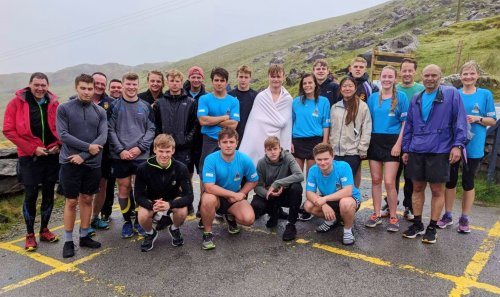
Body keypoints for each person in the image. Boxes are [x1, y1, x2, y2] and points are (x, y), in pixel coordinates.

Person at [402, 64, 467, 244]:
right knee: (416, 188)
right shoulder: (416, 98)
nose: (430, 79)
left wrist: (458, 146)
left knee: (437, 190)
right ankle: (417, 223)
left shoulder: (452, 94)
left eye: (434, 75)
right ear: (421, 77)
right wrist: (406, 148)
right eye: (427, 75)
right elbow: (409, 125)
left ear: (441, 76)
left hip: (440, 149)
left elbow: (460, 120)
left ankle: (432, 227)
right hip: (417, 149)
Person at [3, 72, 61, 251]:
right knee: (31, 194)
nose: (40, 88)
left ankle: (44, 229)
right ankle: (29, 234)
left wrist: (58, 144)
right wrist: (32, 148)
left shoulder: (54, 103)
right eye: (37, 85)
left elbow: (61, 127)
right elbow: (8, 130)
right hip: (29, 156)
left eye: (43, 85)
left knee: (49, 192)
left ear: (48, 86)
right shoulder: (16, 103)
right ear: (30, 85)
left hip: (51, 155)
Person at [438, 61, 497, 233]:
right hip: (454, 145)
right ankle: (447, 215)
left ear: (477, 76)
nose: (468, 77)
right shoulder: (454, 93)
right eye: (465, 74)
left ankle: (464, 218)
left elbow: (492, 120)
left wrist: (476, 118)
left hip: (474, 146)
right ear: (460, 76)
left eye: (472, 74)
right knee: (450, 181)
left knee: (468, 181)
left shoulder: (485, 94)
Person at [56, 74, 108, 258]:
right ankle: (68, 240)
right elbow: (63, 135)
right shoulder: (64, 109)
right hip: (70, 161)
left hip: (92, 163)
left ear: (94, 89)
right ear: (76, 88)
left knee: (87, 198)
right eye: (83, 88)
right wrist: (87, 148)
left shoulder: (100, 112)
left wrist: (84, 155)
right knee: (71, 201)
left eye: (90, 88)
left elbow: (102, 138)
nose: (87, 92)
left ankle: (84, 235)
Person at [316, 76, 371, 233]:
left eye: (350, 86)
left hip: (351, 153)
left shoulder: (362, 107)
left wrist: (362, 149)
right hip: (335, 152)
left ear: (355, 88)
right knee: (331, 186)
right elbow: (331, 128)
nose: (347, 89)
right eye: (344, 86)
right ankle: (333, 218)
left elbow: (366, 129)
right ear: (340, 89)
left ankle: (346, 217)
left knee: (345, 187)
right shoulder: (335, 107)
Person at [108, 73, 156, 238]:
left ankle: (139, 221)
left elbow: (151, 129)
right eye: (128, 84)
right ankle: (127, 221)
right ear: (122, 84)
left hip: (141, 155)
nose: (131, 87)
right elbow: (110, 129)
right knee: (123, 187)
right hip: (120, 155)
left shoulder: (145, 106)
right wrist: (121, 150)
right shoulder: (114, 106)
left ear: (138, 85)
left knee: (139, 188)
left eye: (134, 84)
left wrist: (140, 148)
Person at [365, 66, 409, 232]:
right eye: (384, 76)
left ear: (395, 79)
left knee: (390, 182)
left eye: (390, 76)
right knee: (376, 180)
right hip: (375, 140)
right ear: (380, 77)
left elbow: (405, 123)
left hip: (392, 141)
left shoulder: (402, 97)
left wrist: (399, 144)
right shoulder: (373, 97)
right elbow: (368, 120)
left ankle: (393, 216)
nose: (387, 79)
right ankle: (376, 214)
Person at [380, 58, 426, 220]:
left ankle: (409, 206)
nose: (406, 73)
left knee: (410, 175)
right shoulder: (394, 89)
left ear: (415, 71)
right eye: (404, 71)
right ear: (400, 73)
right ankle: (389, 203)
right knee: (392, 176)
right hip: (397, 137)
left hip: (414, 138)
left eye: (410, 70)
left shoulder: (421, 89)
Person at [200, 128, 258, 250]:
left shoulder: (244, 159)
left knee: (248, 219)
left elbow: (254, 180)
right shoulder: (211, 159)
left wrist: (241, 193)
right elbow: (209, 187)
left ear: (237, 143)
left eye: (231, 142)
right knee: (207, 200)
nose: (228, 145)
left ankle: (230, 216)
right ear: (219, 143)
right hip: (216, 196)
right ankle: (207, 234)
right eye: (225, 142)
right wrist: (232, 194)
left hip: (234, 198)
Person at [135, 134, 194, 252]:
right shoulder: (143, 168)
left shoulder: (181, 167)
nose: (164, 155)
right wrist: (152, 205)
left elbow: (189, 196)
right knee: (142, 215)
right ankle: (150, 233)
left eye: (168, 151)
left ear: (173, 151)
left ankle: (174, 228)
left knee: (183, 211)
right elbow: (138, 196)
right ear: (154, 149)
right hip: (153, 202)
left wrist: (170, 204)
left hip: (171, 201)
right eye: (161, 151)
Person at [304, 143, 361, 245]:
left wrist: (324, 199)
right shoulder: (313, 170)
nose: (323, 162)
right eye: (319, 160)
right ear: (314, 158)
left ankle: (347, 230)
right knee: (308, 205)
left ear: (333, 157)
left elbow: (347, 191)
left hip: (349, 198)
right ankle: (332, 220)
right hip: (330, 199)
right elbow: (309, 193)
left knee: (345, 203)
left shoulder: (343, 166)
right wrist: (324, 205)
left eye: (326, 159)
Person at [251, 136, 304, 241]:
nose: (273, 152)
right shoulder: (261, 163)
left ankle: (291, 224)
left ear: (280, 148)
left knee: (296, 188)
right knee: (256, 206)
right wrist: (268, 193)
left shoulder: (288, 157)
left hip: (285, 192)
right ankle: (275, 213)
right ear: (265, 151)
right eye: (269, 150)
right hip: (271, 194)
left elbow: (300, 175)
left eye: (275, 149)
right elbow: (258, 186)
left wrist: (278, 183)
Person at [239, 64, 293, 165]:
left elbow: (287, 125)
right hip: (260, 138)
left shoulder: (288, 99)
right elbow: (254, 123)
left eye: (278, 76)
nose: (275, 79)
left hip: (279, 140)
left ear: (283, 77)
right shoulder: (261, 97)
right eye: (273, 76)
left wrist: (288, 143)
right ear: (268, 77)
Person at [197, 67, 239, 173]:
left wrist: (211, 118)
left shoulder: (234, 101)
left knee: (226, 172)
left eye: (222, 80)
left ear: (226, 82)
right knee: (205, 171)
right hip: (209, 140)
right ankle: (205, 191)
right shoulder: (204, 99)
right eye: (216, 80)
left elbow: (233, 125)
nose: (219, 83)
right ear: (212, 81)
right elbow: (203, 121)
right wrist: (224, 117)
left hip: (227, 140)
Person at [154, 69, 197, 174]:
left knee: (183, 178)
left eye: (177, 81)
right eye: (172, 81)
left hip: (183, 148)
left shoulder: (191, 102)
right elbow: (155, 124)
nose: (174, 83)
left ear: (181, 82)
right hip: (164, 149)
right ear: (167, 82)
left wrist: (186, 140)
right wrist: (161, 140)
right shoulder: (160, 102)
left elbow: (195, 124)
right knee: (163, 178)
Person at [89, 72, 114, 232]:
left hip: (105, 152)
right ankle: (84, 222)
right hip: (83, 151)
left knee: (102, 186)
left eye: (102, 84)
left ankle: (95, 217)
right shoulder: (74, 101)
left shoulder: (111, 103)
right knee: (84, 190)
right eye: (96, 83)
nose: (99, 86)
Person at [292, 73, 331, 174]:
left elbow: (326, 124)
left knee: (311, 176)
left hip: (315, 142)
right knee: (296, 177)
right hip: (298, 141)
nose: (307, 85)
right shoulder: (296, 101)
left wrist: (324, 143)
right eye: (304, 83)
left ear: (315, 84)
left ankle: (309, 191)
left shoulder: (324, 101)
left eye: (310, 82)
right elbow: (291, 123)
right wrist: (290, 141)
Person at [100, 79, 122, 222]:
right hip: (107, 150)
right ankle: (105, 212)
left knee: (126, 183)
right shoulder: (106, 103)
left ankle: (132, 210)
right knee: (108, 183)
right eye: (113, 87)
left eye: (118, 87)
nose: (116, 89)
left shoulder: (127, 103)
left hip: (123, 148)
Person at [183, 66, 207, 177]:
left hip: (201, 140)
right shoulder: (181, 95)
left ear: (203, 79)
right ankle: (188, 194)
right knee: (186, 174)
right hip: (185, 140)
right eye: (193, 77)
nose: (196, 80)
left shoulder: (207, 96)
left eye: (199, 77)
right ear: (189, 78)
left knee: (203, 173)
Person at [228, 65, 258, 143]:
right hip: (232, 136)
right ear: (237, 77)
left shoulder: (256, 96)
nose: (243, 80)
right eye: (241, 77)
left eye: (246, 77)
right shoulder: (229, 95)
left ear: (250, 78)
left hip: (250, 136)